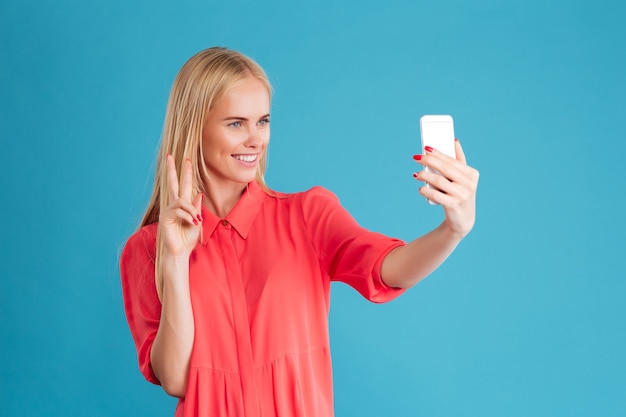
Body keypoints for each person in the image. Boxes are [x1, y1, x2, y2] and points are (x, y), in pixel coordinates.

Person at [120, 46, 479, 417]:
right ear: (196, 127)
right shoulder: (148, 248)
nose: (256, 139)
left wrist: (452, 231)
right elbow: (177, 380)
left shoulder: (307, 214)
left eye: (263, 121)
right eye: (235, 123)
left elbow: (386, 269)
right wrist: (176, 262)